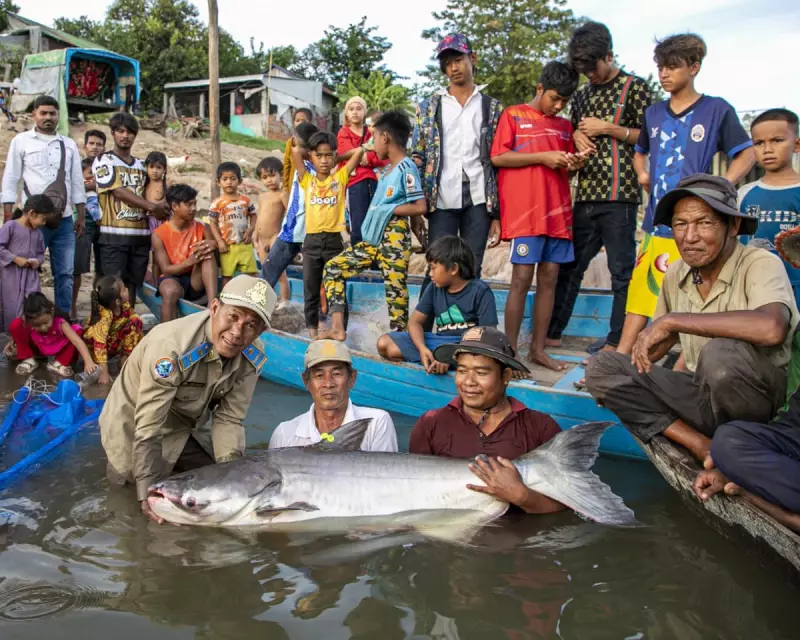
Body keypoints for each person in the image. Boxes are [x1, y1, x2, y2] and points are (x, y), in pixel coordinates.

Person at [586, 175, 797, 464]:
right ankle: (700, 444)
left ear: (733, 226)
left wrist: (673, 321)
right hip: (703, 395)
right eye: (680, 224)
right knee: (604, 366)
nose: (689, 236)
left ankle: (741, 450)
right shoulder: (676, 272)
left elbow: (771, 328)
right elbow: (660, 345)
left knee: (721, 354)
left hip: (758, 403)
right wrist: (639, 355)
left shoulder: (759, 263)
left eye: (704, 223)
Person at [617, 33, 755, 355]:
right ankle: (624, 358)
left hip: (698, 225)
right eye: (661, 67)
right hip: (658, 224)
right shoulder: (653, 113)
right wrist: (642, 173)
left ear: (694, 67)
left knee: (697, 298)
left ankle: (685, 365)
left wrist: (722, 188)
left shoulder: (717, 110)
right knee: (640, 295)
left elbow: (746, 154)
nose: (664, 74)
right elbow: (640, 151)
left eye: (672, 67)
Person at [99, 274, 275, 524]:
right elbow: (148, 430)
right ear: (214, 308)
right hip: (132, 424)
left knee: (214, 481)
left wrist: (233, 481)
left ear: (261, 330)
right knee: (129, 500)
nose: (237, 332)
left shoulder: (253, 355)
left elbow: (229, 419)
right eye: (233, 317)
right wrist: (146, 494)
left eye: (251, 325)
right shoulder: (171, 348)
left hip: (181, 425)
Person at [547, 22, 652, 355]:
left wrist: (608, 128)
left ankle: (617, 340)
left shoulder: (635, 88)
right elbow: (573, 132)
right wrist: (577, 137)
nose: (589, 74)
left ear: (609, 55)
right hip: (586, 194)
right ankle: (552, 334)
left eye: (593, 67)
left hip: (620, 196)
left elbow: (648, 137)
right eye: (584, 69)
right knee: (570, 267)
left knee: (621, 272)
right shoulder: (582, 95)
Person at [491, 61, 585, 373]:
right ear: (539, 88)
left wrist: (575, 162)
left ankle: (539, 349)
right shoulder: (514, 115)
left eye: (564, 102)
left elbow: (567, 165)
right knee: (520, 280)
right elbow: (499, 156)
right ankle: (510, 351)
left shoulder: (564, 126)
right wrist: (543, 157)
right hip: (526, 215)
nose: (558, 106)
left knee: (549, 281)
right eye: (554, 98)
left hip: (557, 214)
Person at [409, 327, 564, 514]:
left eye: (481, 373)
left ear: (506, 376)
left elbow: (569, 506)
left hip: (517, 540)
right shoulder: (430, 423)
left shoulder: (540, 427)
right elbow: (414, 493)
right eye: (462, 370)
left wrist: (523, 497)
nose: (468, 382)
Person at [323, 111, 426, 340]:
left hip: (394, 239)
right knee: (333, 268)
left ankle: (399, 341)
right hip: (374, 240)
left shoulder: (406, 168)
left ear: (386, 138)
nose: (372, 144)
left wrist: (389, 208)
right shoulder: (387, 169)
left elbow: (420, 206)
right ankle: (338, 328)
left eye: (374, 138)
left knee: (395, 291)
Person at [411, 33, 502, 290]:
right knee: (438, 265)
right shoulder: (429, 107)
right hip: (441, 197)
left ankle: (469, 327)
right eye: (447, 63)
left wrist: (497, 214)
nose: (453, 67)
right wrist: (416, 206)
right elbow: (418, 156)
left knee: (472, 265)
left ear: (472, 59)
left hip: (479, 197)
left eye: (458, 59)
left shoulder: (492, 108)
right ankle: (427, 325)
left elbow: (497, 160)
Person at [1, 95, 87, 315]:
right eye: (44, 113)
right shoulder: (21, 141)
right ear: (34, 115)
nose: (48, 117)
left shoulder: (68, 144)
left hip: (64, 220)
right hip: (31, 222)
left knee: (65, 273)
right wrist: (8, 215)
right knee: (27, 272)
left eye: (52, 113)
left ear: (58, 116)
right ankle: (25, 321)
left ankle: (62, 320)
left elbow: (77, 181)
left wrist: (80, 215)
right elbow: (11, 178)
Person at [377, 236, 497, 373]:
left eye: (433, 268)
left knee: (483, 356)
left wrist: (451, 356)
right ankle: (434, 360)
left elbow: (489, 337)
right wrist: (422, 349)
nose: (430, 274)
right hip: (439, 344)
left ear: (453, 269)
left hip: (468, 347)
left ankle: (451, 363)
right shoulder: (434, 288)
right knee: (385, 344)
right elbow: (414, 322)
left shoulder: (480, 291)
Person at [293, 131, 365, 337]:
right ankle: (313, 332)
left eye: (328, 156)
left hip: (334, 241)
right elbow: (297, 150)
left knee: (337, 286)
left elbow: (359, 151)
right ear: (311, 157)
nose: (324, 161)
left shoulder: (340, 177)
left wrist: (337, 158)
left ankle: (340, 329)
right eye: (319, 156)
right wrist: (310, 155)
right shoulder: (307, 179)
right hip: (312, 241)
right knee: (310, 289)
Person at [93, 112, 169, 306]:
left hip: (140, 236)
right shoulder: (104, 160)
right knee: (112, 287)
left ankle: (129, 328)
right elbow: (118, 192)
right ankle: (109, 330)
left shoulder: (142, 166)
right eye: (120, 131)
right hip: (113, 235)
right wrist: (152, 207)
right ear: (112, 133)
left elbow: (156, 188)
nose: (125, 136)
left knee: (133, 285)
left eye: (130, 132)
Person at [269, 340, 399, 451]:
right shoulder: (285, 434)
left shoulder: (376, 423)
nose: (328, 383)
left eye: (336, 374)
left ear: (352, 379)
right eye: (319, 376)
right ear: (306, 381)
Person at [739, 109, 800, 301]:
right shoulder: (743, 194)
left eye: (777, 140)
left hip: (796, 288)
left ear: (797, 144)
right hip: (753, 287)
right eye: (759, 143)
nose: (767, 149)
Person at [261, 122, 319, 290]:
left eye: (294, 141)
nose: (291, 143)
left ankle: (320, 312)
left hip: (306, 232)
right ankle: (255, 306)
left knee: (311, 279)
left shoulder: (307, 169)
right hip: (290, 230)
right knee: (269, 271)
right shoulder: (300, 166)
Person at [152, 184, 218, 321]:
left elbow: (215, 250)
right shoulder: (159, 234)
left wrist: (213, 244)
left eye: (195, 204)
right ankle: (165, 334)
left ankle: (213, 304)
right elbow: (166, 269)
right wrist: (190, 261)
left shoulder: (201, 228)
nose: (194, 208)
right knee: (170, 291)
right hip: (172, 279)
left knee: (207, 251)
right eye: (189, 205)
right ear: (175, 206)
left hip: (196, 280)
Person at [9, 291, 98, 378]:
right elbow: (18, 330)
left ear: (51, 312)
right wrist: (13, 342)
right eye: (37, 325)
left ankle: (60, 363)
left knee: (76, 330)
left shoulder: (61, 323)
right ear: (27, 320)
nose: (43, 328)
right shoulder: (27, 322)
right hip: (39, 347)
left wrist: (88, 361)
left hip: (59, 347)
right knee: (16, 324)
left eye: (46, 323)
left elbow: (77, 342)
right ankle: (28, 359)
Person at [336, 96, 388, 244]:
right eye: (351, 109)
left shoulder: (371, 132)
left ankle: (374, 263)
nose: (355, 112)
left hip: (374, 182)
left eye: (359, 109)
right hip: (355, 183)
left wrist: (368, 158)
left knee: (374, 222)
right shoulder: (344, 132)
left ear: (364, 113)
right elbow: (345, 154)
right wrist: (364, 154)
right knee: (358, 225)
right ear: (346, 113)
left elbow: (381, 155)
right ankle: (357, 261)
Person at [0, 194, 50, 332]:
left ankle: (31, 336)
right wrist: (15, 258)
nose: (44, 223)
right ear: (32, 213)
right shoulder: (10, 227)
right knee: (12, 308)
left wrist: (37, 262)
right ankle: (12, 341)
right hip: (11, 277)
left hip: (31, 277)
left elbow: (40, 253)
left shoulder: (38, 234)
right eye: (43, 219)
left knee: (32, 306)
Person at [83, 275, 144, 385]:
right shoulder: (104, 317)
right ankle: (116, 364)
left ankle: (126, 359)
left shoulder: (124, 306)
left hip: (112, 342)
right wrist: (104, 372)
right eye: (124, 289)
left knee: (136, 321)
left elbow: (133, 322)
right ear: (117, 301)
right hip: (95, 349)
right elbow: (99, 345)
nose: (127, 290)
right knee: (134, 322)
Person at [208, 161, 258, 287]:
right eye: (225, 179)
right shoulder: (217, 203)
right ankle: (226, 301)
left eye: (233, 179)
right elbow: (212, 222)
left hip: (244, 244)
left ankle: (250, 301)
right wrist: (219, 241)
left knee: (251, 275)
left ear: (240, 181)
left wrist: (251, 229)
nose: (229, 182)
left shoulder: (245, 200)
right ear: (218, 182)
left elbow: (253, 215)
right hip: (227, 246)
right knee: (227, 277)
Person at [72, 138, 106, 319]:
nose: (95, 147)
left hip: (104, 222)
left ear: (104, 147)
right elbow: (73, 187)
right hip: (81, 219)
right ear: (85, 146)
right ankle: (72, 306)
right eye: (91, 143)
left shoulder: (107, 167)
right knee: (77, 266)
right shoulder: (75, 166)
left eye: (99, 144)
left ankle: (97, 306)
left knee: (102, 267)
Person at [254, 156, 290, 305]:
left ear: (280, 175)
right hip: (261, 239)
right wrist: (255, 236)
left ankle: (285, 300)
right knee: (266, 270)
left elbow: (289, 214)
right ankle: (270, 300)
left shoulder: (282, 194)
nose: (269, 180)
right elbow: (260, 216)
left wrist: (284, 236)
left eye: (272, 175)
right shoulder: (262, 196)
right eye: (265, 177)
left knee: (279, 271)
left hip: (276, 236)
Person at [282, 107, 313, 192]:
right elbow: (287, 164)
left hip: (310, 183)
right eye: (297, 120)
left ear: (310, 122)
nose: (300, 123)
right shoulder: (291, 142)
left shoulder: (314, 140)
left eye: (303, 120)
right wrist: (285, 186)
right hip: (293, 183)